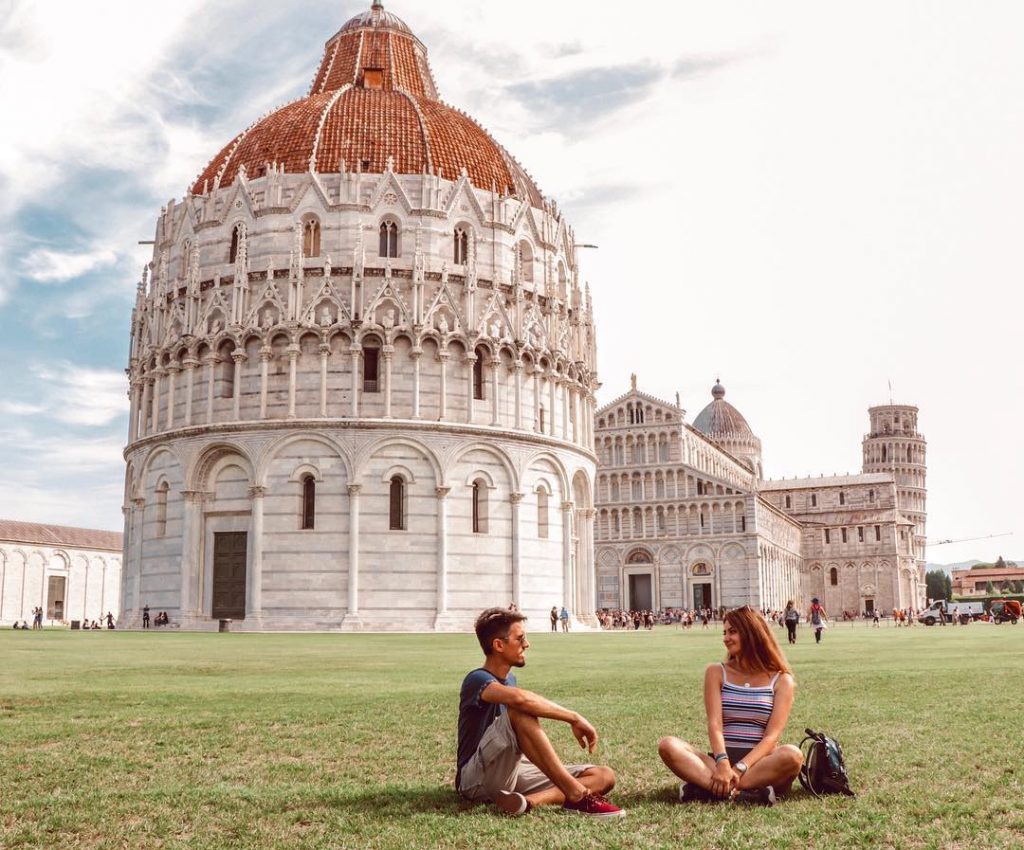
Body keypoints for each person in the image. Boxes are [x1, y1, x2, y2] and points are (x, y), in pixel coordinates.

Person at [456, 608, 625, 817]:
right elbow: (522, 700)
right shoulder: (477, 679)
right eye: (520, 639)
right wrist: (573, 718)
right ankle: (577, 796)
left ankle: (527, 802)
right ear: (498, 645)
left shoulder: (510, 680)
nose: (526, 644)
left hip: (511, 770)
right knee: (521, 711)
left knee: (603, 776)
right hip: (474, 779)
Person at [658, 605, 803, 807]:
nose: (726, 638)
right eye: (724, 632)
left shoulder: (781, 680)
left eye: (732, 632)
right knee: (668, 745)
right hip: (719, 762)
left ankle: (710, 789)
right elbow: (715, 724)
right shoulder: (716, 672)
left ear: (752, 633)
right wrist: (723, 763)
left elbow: (772, 737)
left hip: (759, 764)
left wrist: (740, 768)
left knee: (793, 755)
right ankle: (748, 793)